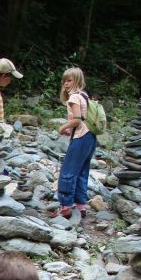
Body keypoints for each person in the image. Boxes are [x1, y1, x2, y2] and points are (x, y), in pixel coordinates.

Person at [51, 67, 97, 219]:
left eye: (69, 80)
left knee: (68, 172)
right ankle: (80, 205)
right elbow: (82, 120)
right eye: (64, 81)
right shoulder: (85, 96)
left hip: (81, 138)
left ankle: (65, 206)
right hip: (90, 137)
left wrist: (62, 127)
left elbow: (77, 119)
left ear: (77, 81)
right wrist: (70, 130)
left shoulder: (74, 98)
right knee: (82, 171)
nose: (66, 84)